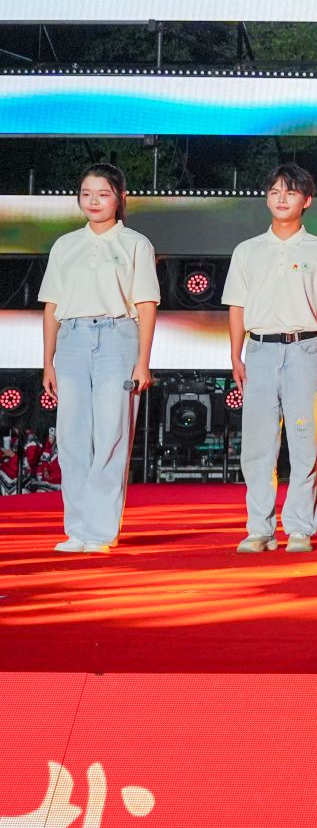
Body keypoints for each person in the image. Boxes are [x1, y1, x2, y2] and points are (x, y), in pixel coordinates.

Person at [224, 163, 317, 554]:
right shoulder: (247, 250)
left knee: (304, 441)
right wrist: (236, 355)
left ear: (306, 201)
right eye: (275, 191)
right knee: (257, 446)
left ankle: (299, 528)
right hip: (259, 350)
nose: (281, 198)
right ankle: (259, 529)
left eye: (290, 192)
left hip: (304, 350)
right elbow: (237, 306)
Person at [39, 163, 158, 554]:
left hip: (117, 338)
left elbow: (146, 305)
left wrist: (143, 361)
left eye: (103, 194)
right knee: (72, 437)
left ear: (120, 198)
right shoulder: (65, 245)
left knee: (111, 434)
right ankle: (77, 529)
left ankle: (102, 531)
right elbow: (51, 305)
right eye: (86, 193)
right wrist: (48, 361)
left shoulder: (135, 244)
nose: (93, 201)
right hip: (72, 339)